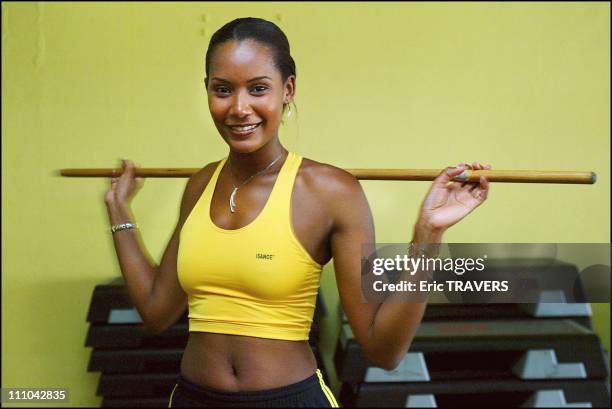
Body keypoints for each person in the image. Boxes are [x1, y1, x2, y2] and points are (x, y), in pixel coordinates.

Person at [104, 17, 491, 408]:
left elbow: (382, 349)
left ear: (287, 89)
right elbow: (156, 312)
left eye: (258, 89)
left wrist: (427, 236)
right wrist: (120, 212)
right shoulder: (200, 186)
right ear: (207, 91)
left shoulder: (330, 192)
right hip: (192, 398)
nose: (239, 108)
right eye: (223, 90)